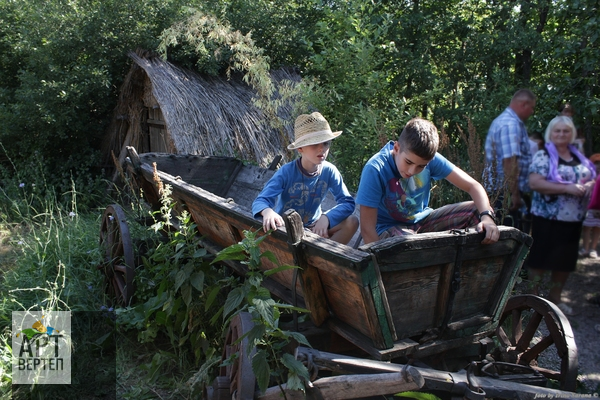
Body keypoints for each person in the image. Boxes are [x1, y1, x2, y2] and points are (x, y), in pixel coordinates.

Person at [355, 117, 499, 245]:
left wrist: (487, 218)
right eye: (408, 162)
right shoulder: (375, 169)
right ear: (397, 148)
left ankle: (465, 270)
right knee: (407, 244)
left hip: (423, 222)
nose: (412, 171)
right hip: (390, 231)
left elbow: (473, 186)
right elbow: (367, 229)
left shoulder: (432, 160)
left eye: (421, 166)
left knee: (478, 210)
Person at [252, 112, 359, 244]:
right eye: (315, 144)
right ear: (300, 148)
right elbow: (260, 201)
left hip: (315, 227)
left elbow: (347, 203)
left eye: (326, 143)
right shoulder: (286, 172)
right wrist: (267, 211)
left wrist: (326, 218)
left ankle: (323, 261)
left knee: (352, 222)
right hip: (286, 229)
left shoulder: (330, 171)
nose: (322, 148)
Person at [526, 116, 597, 316]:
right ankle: (533, 299)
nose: (561, 134)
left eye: (565, 131)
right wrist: (568, 188)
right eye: (557, 131)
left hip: (574, 219)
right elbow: (535, 183)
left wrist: (591, 185)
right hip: (548, 218)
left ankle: (555, 299)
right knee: (540, 260)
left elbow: (589, 177)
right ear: (551, 133)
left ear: (571, 133)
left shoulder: (579, 156)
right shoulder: (543, 156)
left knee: (565, 261)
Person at [484, 89, 537, 229]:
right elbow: (509, 161)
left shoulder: (508, 122)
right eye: (532, 107)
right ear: (523, 104)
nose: (532, 112)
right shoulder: (510, 125)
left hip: (502, 191)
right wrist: (514, 194)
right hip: (503, 194)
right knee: (509, 238)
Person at [580, 153, 600, 258]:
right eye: (596, 163)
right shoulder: (587, 178)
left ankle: (593, 249)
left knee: (597, 229)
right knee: (587, 228)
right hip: (588, 207)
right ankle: (585, 248)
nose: (598, 166)